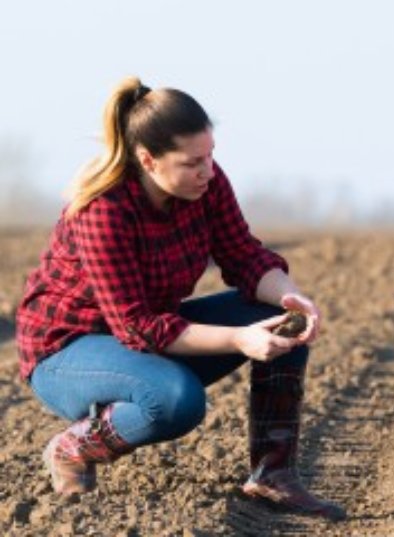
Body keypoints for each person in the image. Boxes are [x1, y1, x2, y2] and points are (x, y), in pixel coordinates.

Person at [15, 77, 345, 521]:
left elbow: (243, 255)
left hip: (140, 338)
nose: (207, 170)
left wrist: (292, 297)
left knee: (280, 317)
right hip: (67, 352)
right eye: (193, 162)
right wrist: (238, 340)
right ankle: (73, 447)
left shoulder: (204, 185)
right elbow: (137, 327)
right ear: (148, 160)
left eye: (210, 155)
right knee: (176, 401)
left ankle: (272, 476)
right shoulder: (104, 209)